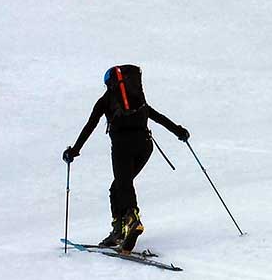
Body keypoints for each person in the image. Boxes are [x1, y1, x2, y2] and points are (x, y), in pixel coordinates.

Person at [62, 65, 189, 251]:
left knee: (123, 184)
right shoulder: (138, 101)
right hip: (145, 146)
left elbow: (90, 126)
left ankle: (132, 221)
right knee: (118, 187)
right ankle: (120, 231)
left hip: (122, 147)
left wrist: (74, 151)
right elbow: (158, 117)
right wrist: (179, 131)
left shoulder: (105, 101)